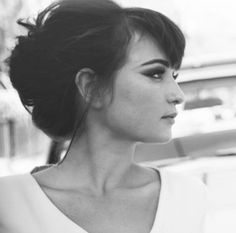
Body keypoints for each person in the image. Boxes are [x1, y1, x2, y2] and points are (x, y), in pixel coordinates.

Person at [0, 0, 207, 232]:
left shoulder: (188, 196)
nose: (178, 95)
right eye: (155, 74)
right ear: (90, 86)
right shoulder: (8, 203)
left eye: (174, 76)